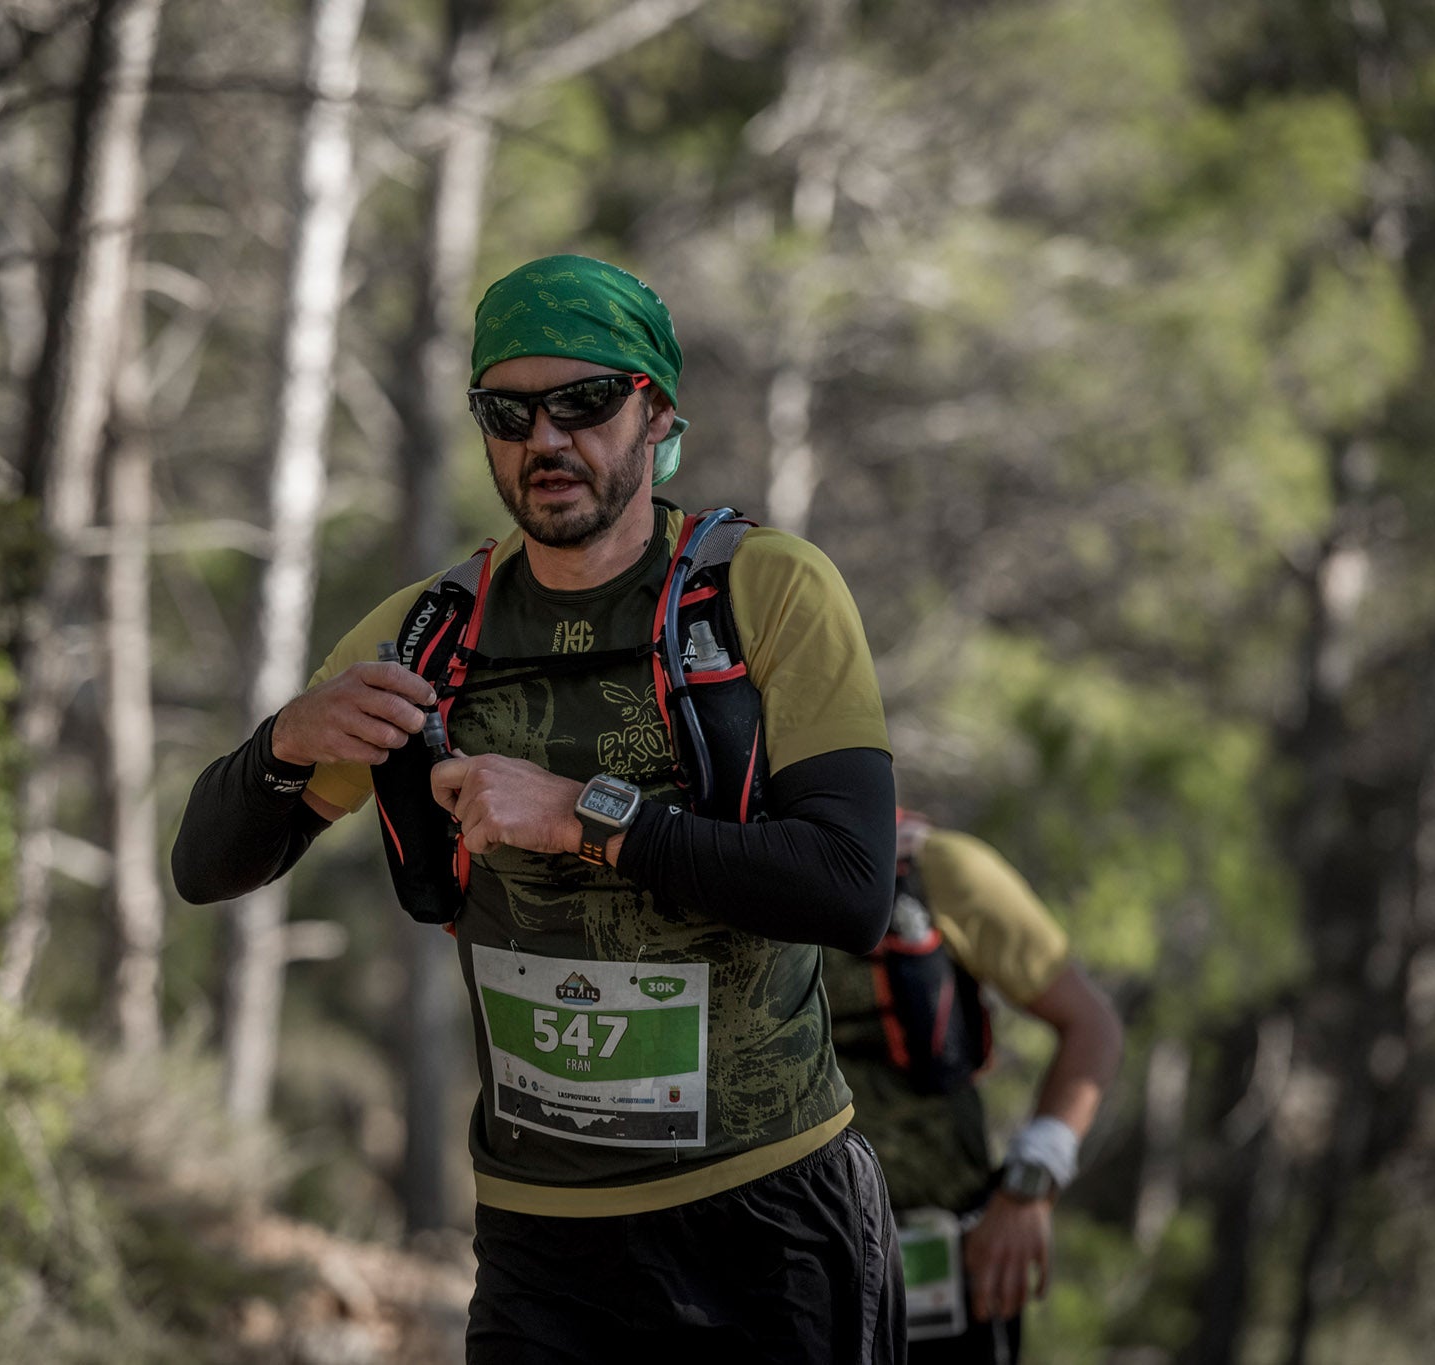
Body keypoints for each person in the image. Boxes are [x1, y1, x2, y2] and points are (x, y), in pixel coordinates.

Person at [173, 253, 906, 1362]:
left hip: (767, 1218)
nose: (545, 439)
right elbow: (205, 867)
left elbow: (850, 888)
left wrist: (584, 816)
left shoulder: (768, 591)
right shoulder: (428, 629)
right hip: (542, 1246)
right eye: (508, 411)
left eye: (585, 401)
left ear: (652, 412)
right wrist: (285, 745)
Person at [821, 809, 1123, 1362]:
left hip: (939, 1267)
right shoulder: (709, 865)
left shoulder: (935, 869)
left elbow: (1092, 1027)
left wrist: (1027, 1189)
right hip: (782, 1275)